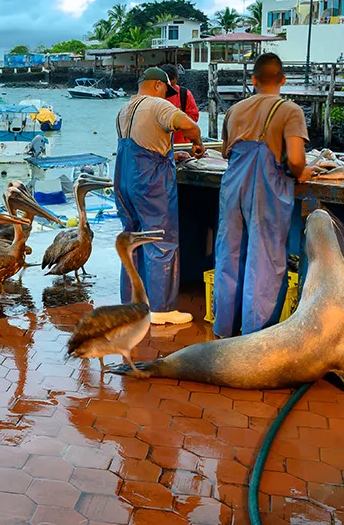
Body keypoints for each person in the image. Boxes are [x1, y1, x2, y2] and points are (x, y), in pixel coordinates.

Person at [213, 53, 316, 338]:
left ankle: (224, 329)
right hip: (266, 186)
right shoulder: (290, 110)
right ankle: (257, 335)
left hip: (233, 183)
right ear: (283, 79)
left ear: (253, 80)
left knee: (229, 253)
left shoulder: (234, 110)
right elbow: (296, 159)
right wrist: (302, 173)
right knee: (266, 258)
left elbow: (226, 152)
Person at [114, 67, 205, 325]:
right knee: (160, 239)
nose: (168, 95)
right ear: (156, 85)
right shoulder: (157, 105)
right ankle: (162, 311)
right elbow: (189, 124)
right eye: (167, 89)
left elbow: (142, 144)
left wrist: (172, 154)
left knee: (132, 240)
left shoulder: (124, 109)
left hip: (124, 181)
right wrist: (198, 143)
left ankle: (133, 303)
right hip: (150, 183)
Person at [160, 64, 200, 145]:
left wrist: (176, 122)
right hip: (159, 144)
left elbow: (194, 117)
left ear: (176, 79)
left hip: (181, 144)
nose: (170, 87)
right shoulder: (153, 96)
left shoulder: (184, 94)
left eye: (172, 84)